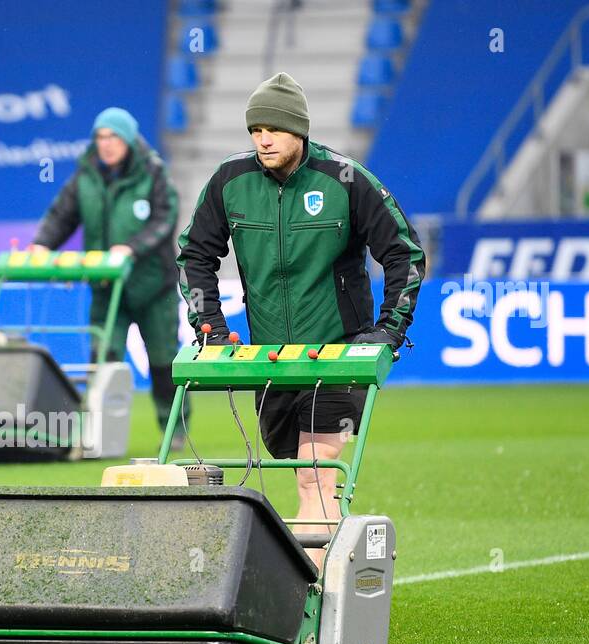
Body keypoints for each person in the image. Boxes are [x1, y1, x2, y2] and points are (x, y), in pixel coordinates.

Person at [176, 72, 425, 566]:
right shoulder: (230, 181)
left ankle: (312, 600)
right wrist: (212, 329)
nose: (262, 138)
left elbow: (405, 255)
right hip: (270, 361)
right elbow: (194, 255)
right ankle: (330, 578)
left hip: (336, 355)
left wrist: (387, 332)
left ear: (300, 130)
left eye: (273, 128)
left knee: (316, 472)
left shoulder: (346, 179)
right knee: (297, 469)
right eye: (254, 129)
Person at [28, 107, 187, 449]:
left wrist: (131, 248)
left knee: (163, 361)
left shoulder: (154, 173)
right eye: (100, 137)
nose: (106, 144)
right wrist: (42, 244)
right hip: (105, 286)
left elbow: (165, 219)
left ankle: (174, 428)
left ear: (128, 140)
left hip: (153, 286)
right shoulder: (85, 176)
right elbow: (61, 215)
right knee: (103, 357)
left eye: (113, 136)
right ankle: (98, 434)